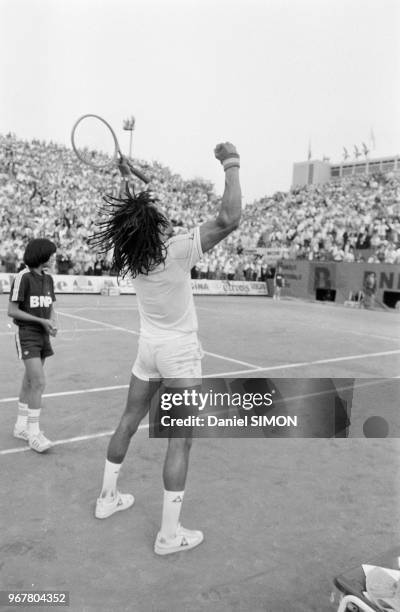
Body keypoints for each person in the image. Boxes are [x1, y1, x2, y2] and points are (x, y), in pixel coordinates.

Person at [93, 142, 242, 555]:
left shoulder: (133, 255)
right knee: (180, 441)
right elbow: (229, 217)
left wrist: (128, 176)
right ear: (154, 227)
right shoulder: (176, 250)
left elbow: (134, 216)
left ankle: (107, 499)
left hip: (148, 351)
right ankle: (169, 536)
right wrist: (231, 163)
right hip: (178, 356)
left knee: (127, 420)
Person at [8, 238, 58, 453]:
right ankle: (33, 433)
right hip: (27, 334)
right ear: (41, 255)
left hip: (43, 335)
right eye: (51, 254)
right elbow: (12, 310)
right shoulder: (23, 277)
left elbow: (51, 306)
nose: (54, 257)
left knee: (30, 381)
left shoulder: (48, 279)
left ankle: (21, 426)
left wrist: (53, 323)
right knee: (38, 382)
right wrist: (41, 321)